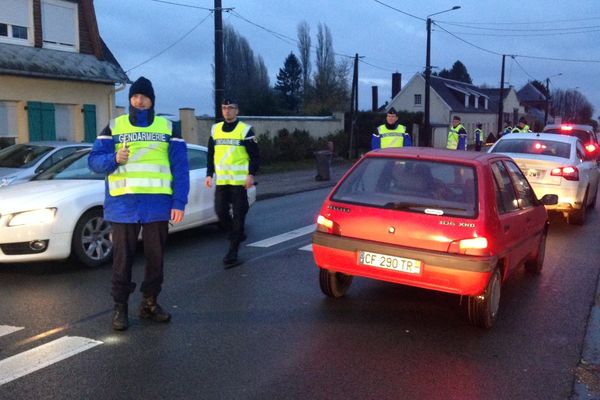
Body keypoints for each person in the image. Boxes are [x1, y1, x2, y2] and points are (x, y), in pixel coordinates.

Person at [88, 77, 190, 331]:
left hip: (157, 205)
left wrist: (178, 202)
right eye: (135, 96)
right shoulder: (114, 127)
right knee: (122, 260)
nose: (139, 100)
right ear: (130, 99)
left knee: (156, 259)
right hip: (123, 206)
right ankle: (120, 307)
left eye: (144, 96)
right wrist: (114, 158)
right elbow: (93, 162)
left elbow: (180, 168)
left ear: (152, 100)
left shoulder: (167, 127)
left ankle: (150, 303)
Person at [205, 98, 260, 268]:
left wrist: (251, 174)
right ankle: (236, 234)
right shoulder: (215, 130)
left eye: (231, 108)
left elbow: (255, 155)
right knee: (220, 212)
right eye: (224, 108)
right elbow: (210, 153)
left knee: (238, 216)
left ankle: (232, 253)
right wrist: (209, 174)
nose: (227, 111)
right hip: (222, 181)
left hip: (240, 183)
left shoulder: (245, 130)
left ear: (237, 110)